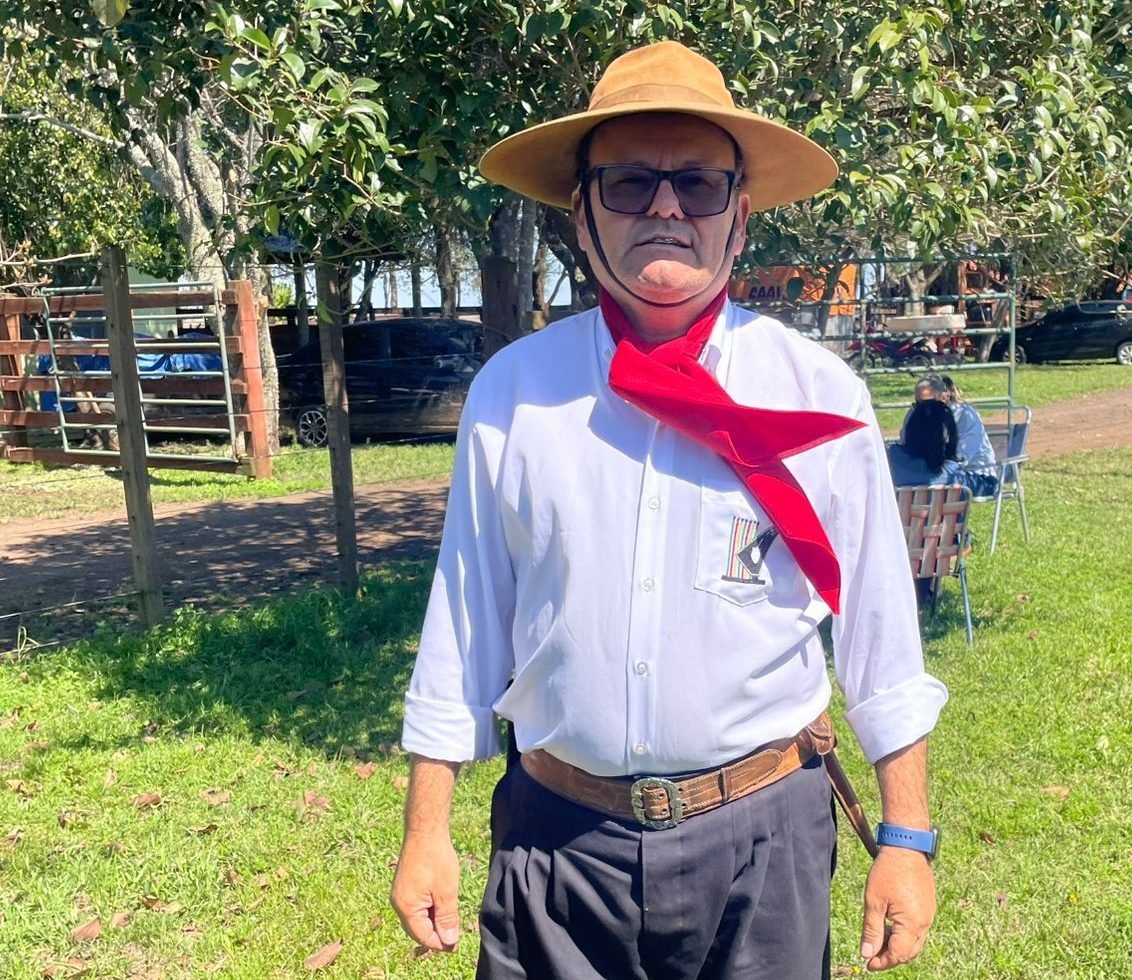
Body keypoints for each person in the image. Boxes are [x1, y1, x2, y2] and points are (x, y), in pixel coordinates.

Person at [391, 41, 947, 979]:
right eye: (629, 183)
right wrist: (426, 826)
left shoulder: (819, 396)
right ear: (581, 215)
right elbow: (465, 620)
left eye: (696, 184)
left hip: (764, 844)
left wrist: (907, 838)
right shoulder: (514, 394)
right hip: (556, 846)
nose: (665, 208)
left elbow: (881, 637)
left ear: (739, 218)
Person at [936, 376, 1001, 499]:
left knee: (939, 483)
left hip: (980, 477)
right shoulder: (920, 414)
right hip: (943, 474)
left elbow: (960, 458)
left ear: (944, 397)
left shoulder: (965, 415)